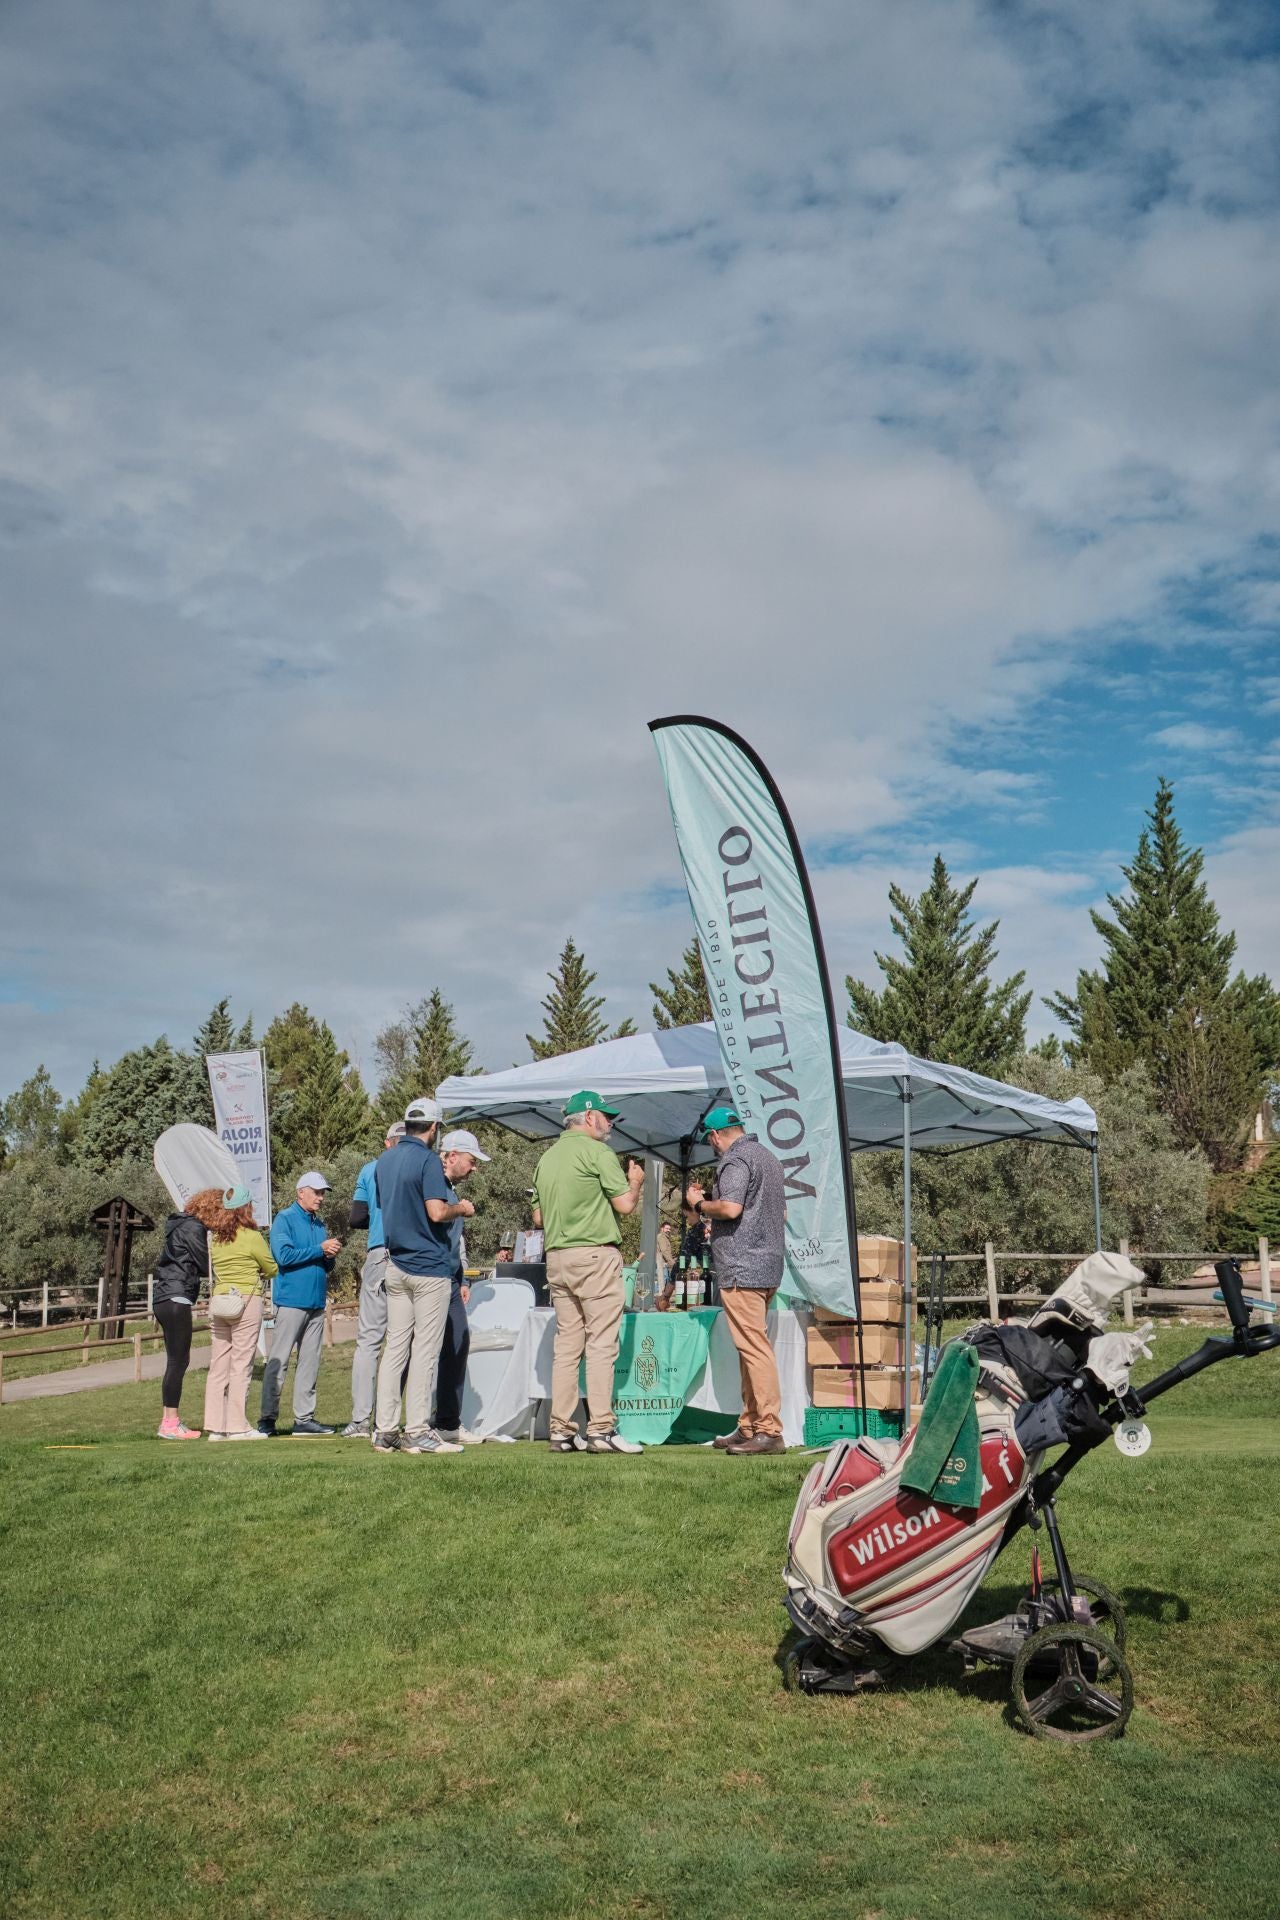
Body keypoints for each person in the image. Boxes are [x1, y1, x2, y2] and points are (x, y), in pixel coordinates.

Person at [531, 1090, 645, 1454]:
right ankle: (601, 1430)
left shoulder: (547, 1158)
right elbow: (625, 1205)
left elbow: (537, 1218)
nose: (610, 1124)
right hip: (594, 1256)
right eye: (607, 1117)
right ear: (590, 1116)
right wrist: (637, 1182)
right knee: (600, 1344)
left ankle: (561, 1432)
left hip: (558, 1258)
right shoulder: (598, 1152)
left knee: (567, 1348)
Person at [372, 1099, 476, 1455]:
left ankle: (385, 1430)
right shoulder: (428, 1160)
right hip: (428, 1268)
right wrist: (461, 1208)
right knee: (425, 1352)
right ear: (434, 1129)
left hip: (395, 1264)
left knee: (395, 1349)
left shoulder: (384, 1160)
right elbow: (436, 1211)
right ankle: (417, 1430)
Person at [685, 1106, 786, 1455]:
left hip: (743, 1267)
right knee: (750, 1348)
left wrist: (700, 1204)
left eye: (710, 1142)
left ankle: (770, 1430)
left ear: (714, 1136)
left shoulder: (735, 1160)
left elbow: (729, 1208)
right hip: (768, 1264)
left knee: (754, 1349)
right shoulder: (770, 1159)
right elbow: (781, 1213)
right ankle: (749, 1425)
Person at [261, 1173, 341, 1437]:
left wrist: (330, 1256)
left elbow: (323, 1263)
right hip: (292, 1302)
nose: (321, 1197)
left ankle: (304, 1419)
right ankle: (267, 1419)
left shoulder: (319, 1225)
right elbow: (283, 1256)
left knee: (310, 1363)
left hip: (316, 1303)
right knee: (279, 1361)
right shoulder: (284, 1219)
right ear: (300, 1193)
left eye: (323, 1193)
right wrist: (320, 1249)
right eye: (316, 1192)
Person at [339, 1120, 405, 1438]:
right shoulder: (418, 1164)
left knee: (369, 1341)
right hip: (410, 1255)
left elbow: (356, 1218)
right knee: (404, 1341)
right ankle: (390, 1418)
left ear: (387, 1142)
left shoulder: (369, 1169)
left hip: (380, 1253)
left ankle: (361, 1421)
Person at [198, 1185, 279, 1441]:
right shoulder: (252, 1236)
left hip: (220, 1300)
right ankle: (237, 1426)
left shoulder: (216, 1238)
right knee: (241, 1363)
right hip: (246, 1299)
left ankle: (215, 1426)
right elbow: (271, 1267)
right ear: (246, 1208)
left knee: (218, 1363)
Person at [431, 1129, 491, 1445]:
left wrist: (463, 1276)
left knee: (458, 1344)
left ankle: (447, 1422)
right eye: (471, 1160)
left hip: (451, 1278)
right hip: (432, 1278)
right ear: (452, 1156)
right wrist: (462, 1209)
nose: (474, 1167)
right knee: (418, 1350)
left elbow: (457, 1242)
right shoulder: (434, 1185)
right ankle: (387, 1423)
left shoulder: (450, 1188)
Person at [151, 1197, 211, 1438]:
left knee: (175, 1361)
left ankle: (169, 1420)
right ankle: (170, 1423)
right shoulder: (193, 1227)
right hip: (177, 1296)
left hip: (164, 1296)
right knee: (179, 1361)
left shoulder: (178, 1225)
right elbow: (205, 1262)